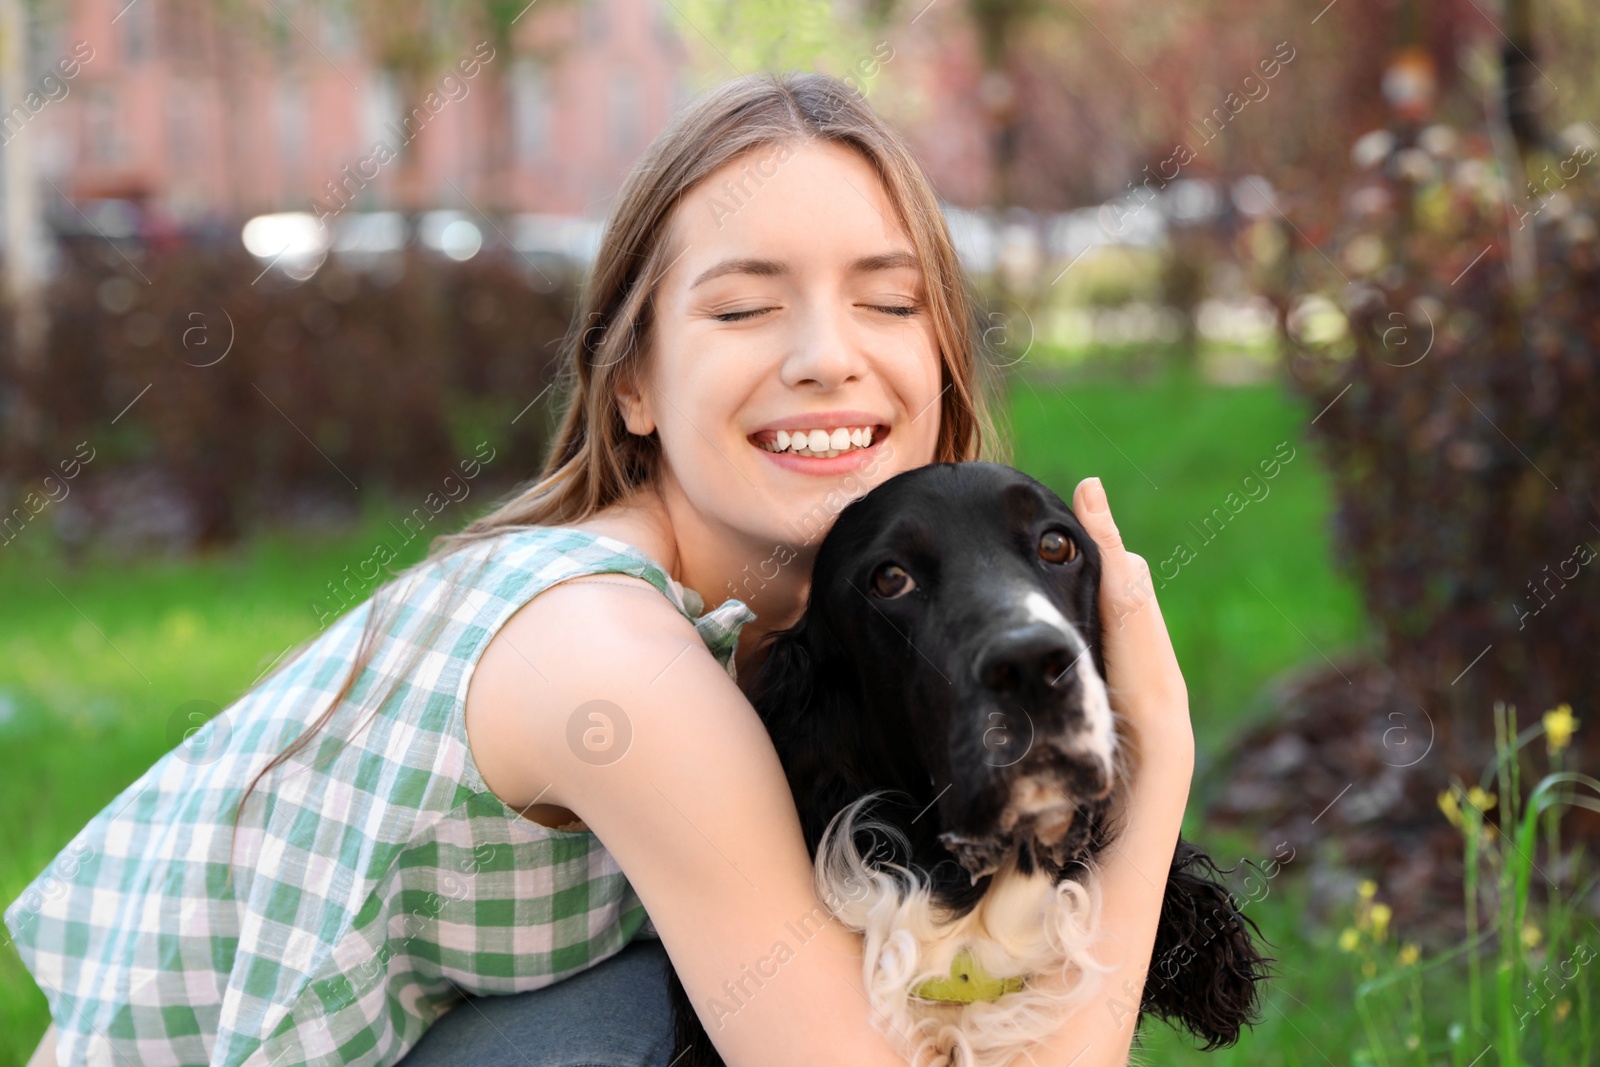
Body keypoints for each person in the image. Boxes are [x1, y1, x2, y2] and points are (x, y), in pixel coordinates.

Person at [9, 71, 1195, 1067]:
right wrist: (1154, 765)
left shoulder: (749, 631)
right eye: (742, 311)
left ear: (939, 366)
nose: (828, 356)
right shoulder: (609, 657)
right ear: (630, 385)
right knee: (659, 1014)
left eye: (887, 300)